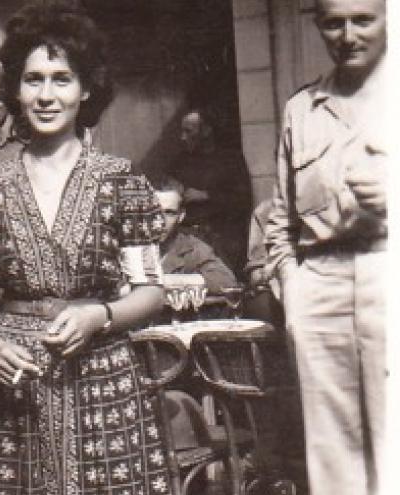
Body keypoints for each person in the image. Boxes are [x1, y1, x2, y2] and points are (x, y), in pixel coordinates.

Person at [0, 2, 169, 493]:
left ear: (86, 88)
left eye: (61, 79)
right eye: (33, 80)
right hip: (13, 388)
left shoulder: (121, 180)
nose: (46, 95)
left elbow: (151, 292)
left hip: (105, 381)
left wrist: (100, 316)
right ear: (15, 89)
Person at [265, 1, 387, 494]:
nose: (348, 35)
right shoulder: (302, 108)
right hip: (319, 285)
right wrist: (292, 288)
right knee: (332, 454)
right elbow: (280, 219)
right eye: (334, 23)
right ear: (317, 25)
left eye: (363, 20)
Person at [166, 108, 252, 275]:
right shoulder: (180, 162)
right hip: (189, 242)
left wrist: (206, 196)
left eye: (188, 131)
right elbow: (166, 194)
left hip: (222, 242)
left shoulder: (231, 159)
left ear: (206, 131)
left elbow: (243, 201)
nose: (182, 137)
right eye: (182, 131)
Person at [154, 177, 236, 294]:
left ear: (181, 216)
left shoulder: (191, 247)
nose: (160, 221)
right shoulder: (127, 244)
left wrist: (164, 281)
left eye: (169, 213)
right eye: (154, 212)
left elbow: (226, 281)